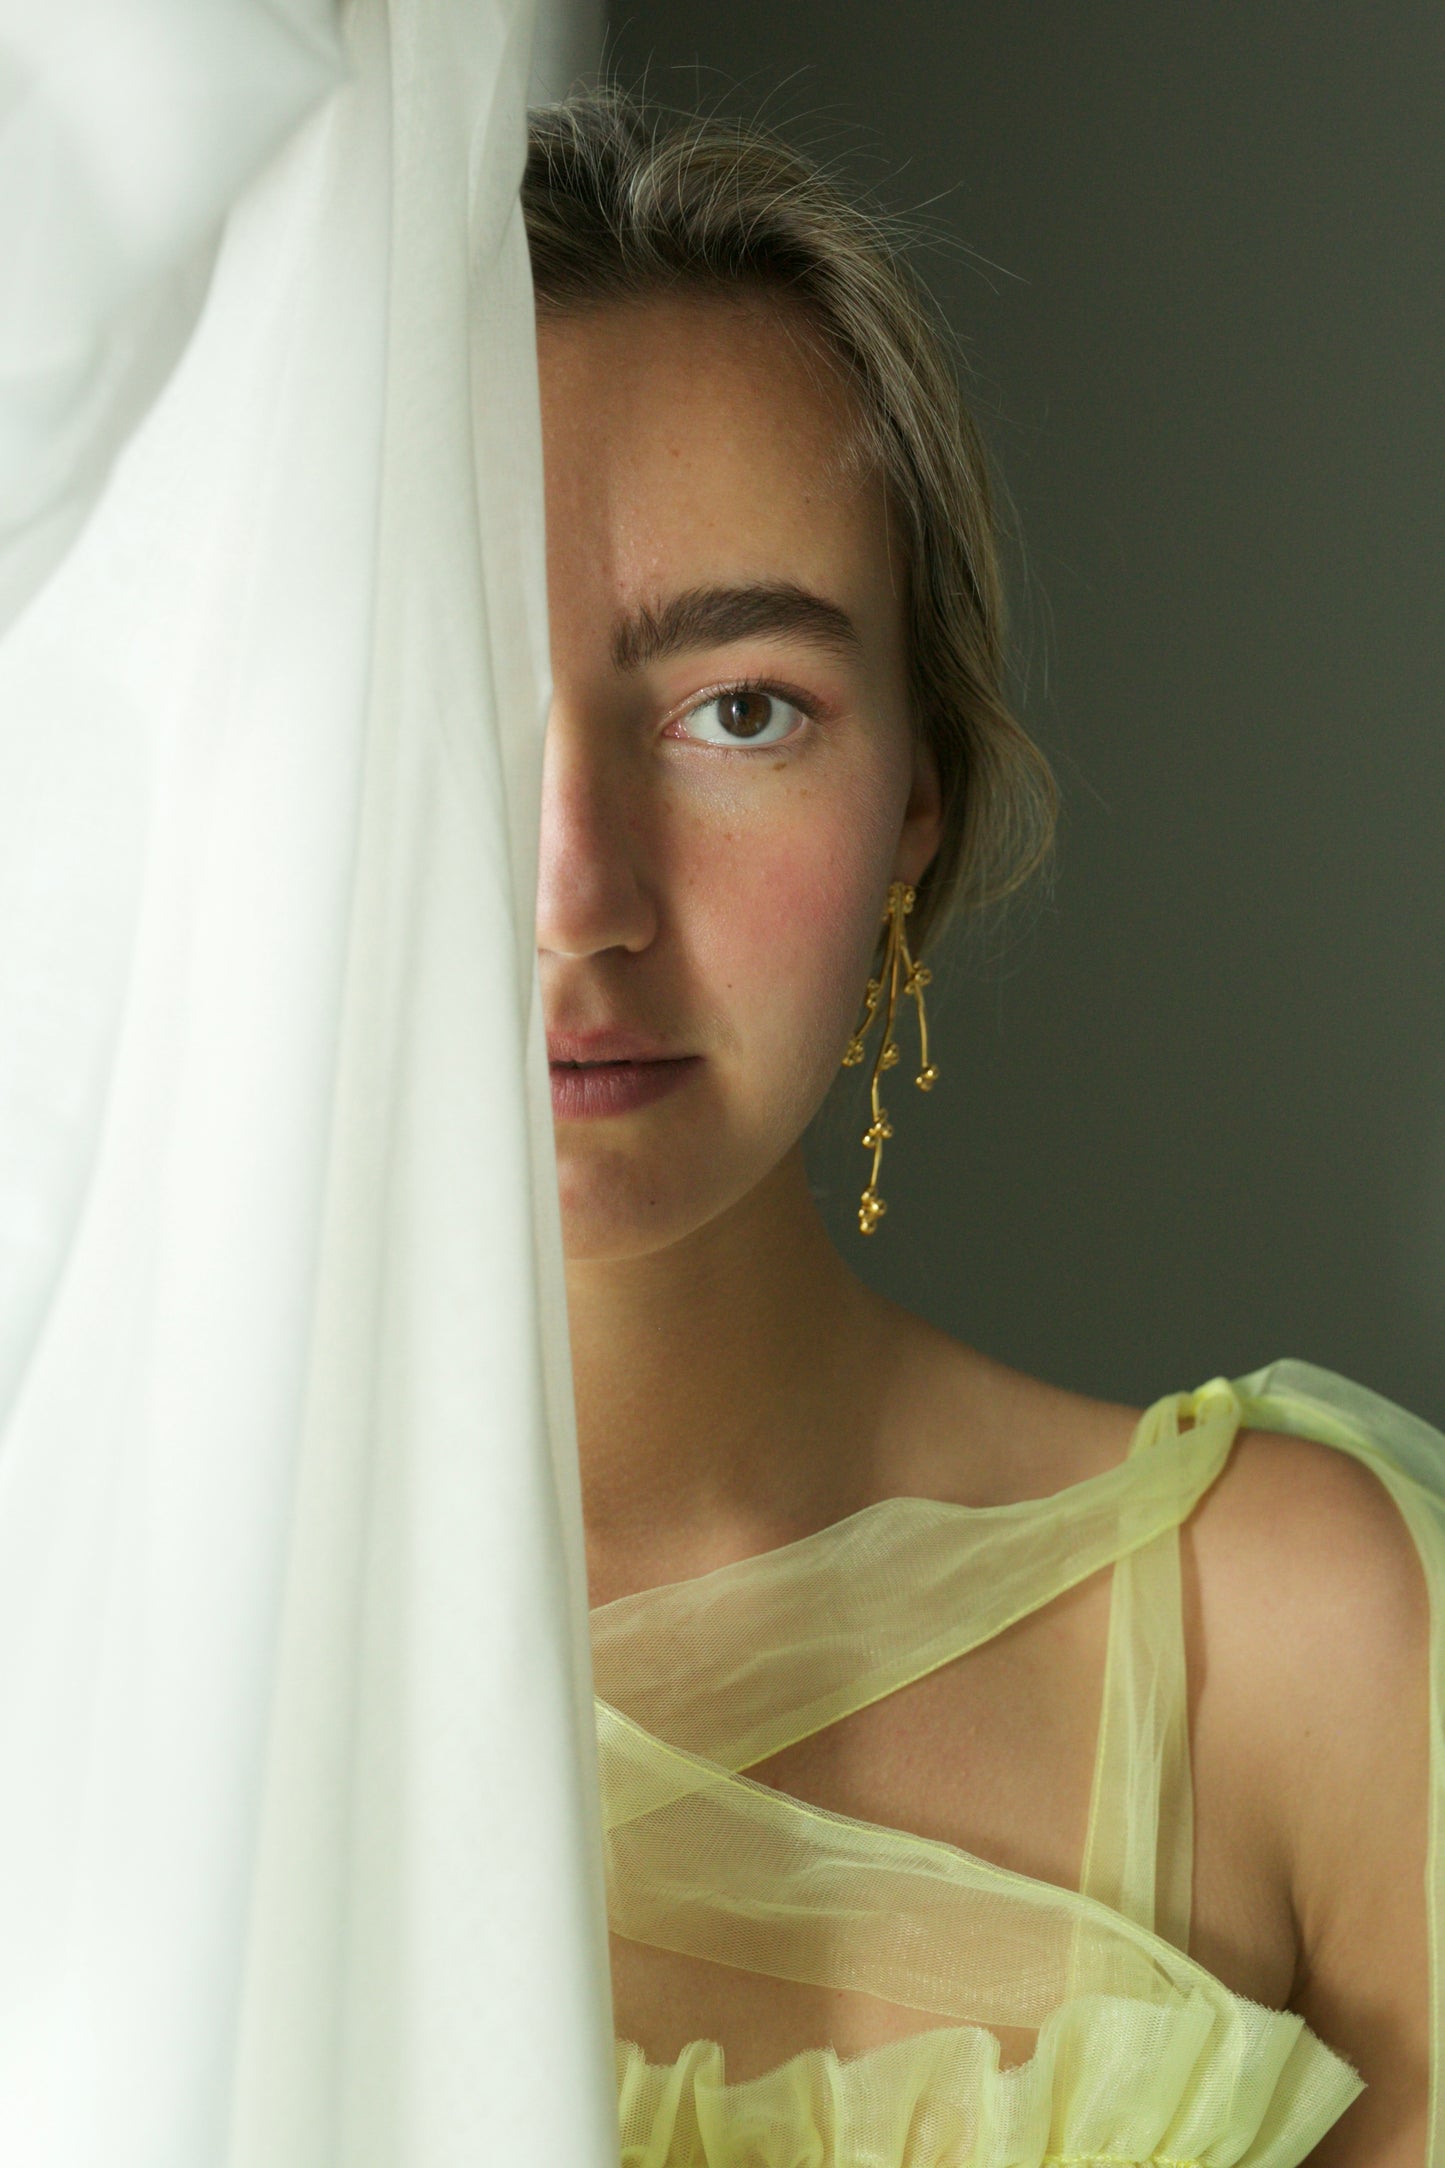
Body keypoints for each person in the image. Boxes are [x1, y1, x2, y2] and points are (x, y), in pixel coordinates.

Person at [523, 89, 1437, 2168]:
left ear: (916, 805)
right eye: (454, 704)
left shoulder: (1297, 1651)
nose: (582, 894)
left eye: (739, 708)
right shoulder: (88, 1653)